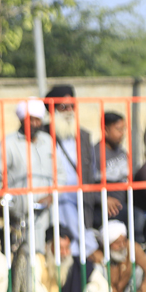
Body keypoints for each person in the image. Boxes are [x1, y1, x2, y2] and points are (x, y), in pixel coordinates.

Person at [0, 98, 54, 252]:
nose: (34, 123)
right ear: (22, 120)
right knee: (25, 255)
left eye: (37, 120)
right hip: (20, 215)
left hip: (47, 214)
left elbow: (60, 174)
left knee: (47, 257)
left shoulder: (48, 142)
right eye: (30, 119)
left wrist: (52, 195)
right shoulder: (9, 143)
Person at [46, 84, 96, 244]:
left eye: (72, 106)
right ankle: (92, 248)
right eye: (63, 107)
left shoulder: (83, 136)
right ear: (53, 110)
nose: (69, 111)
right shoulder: (44, 136)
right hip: (57, 197)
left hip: (82, 196)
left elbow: (92, 169)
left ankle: (89, 249)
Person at [90, 111, 138, 230]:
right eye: (118, 129)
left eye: (123, 129)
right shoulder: (95, 154)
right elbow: (87, 185)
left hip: (124, 204)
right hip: (105, 209)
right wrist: (103, 199)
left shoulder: (122, 152)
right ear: (105, 130)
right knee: (137, 217)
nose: (122, 133)